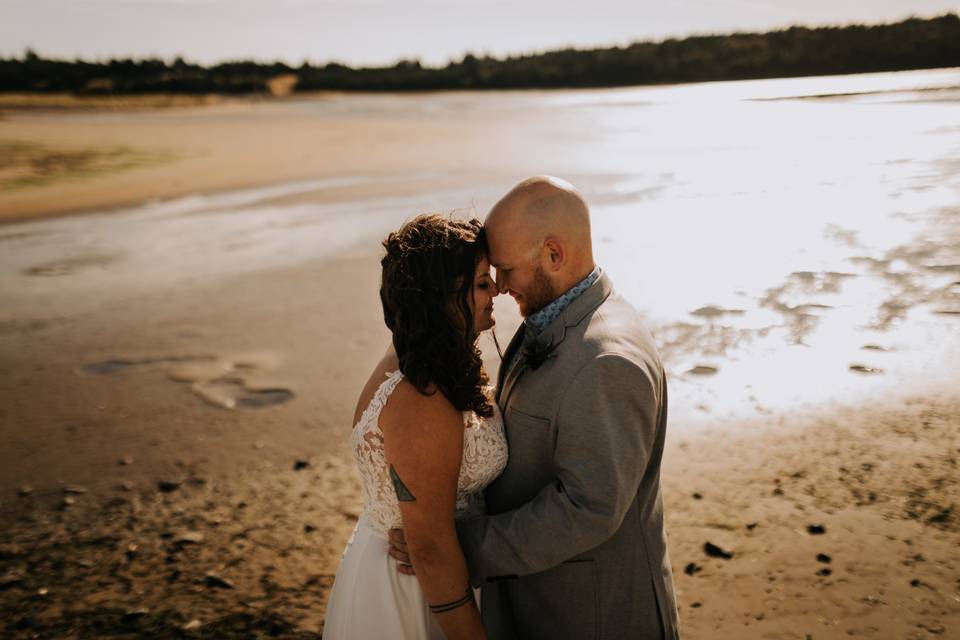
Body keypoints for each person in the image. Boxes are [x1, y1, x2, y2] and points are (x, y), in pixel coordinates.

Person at [390, 176, 680, 639]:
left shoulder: (607, 361)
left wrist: (463, 546)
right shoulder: (550, 320)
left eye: (505, 269)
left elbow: (589, 508)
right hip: (533, 604)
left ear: (553, 254)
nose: (499, 287)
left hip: (591, 618)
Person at [322, 214, 508, 640]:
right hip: (414, 591)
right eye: (482, 283)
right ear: (443, 298)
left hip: (434, 577)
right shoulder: (421, 396)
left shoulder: (428, 360)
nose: (496, 290)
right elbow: (429, 548)